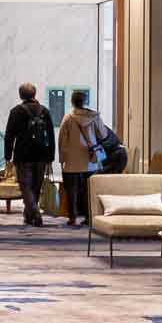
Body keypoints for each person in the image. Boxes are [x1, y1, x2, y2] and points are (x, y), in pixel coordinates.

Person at [2, 82, 56, 227]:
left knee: (25, 186)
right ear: (35, 94)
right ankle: (29, 215)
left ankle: (35, 213)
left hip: (23, 155)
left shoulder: (16, 111)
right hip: (42, 155)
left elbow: (9, 135)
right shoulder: (44, 111)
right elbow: (50, 135)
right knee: (36, 187)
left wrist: (7, 157)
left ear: (21, 95)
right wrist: (50, 157)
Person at [57, 89, 106, 227]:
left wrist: (62, 159)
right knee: (89, 190)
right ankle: (89, 217)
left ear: (72, 102)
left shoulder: (68, 118)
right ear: (85, 102)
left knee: (71, 191)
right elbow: (103, 135)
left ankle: (72, 218)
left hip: (72, 161)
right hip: (90, 160)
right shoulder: (94, 117)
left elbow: (62, 140)